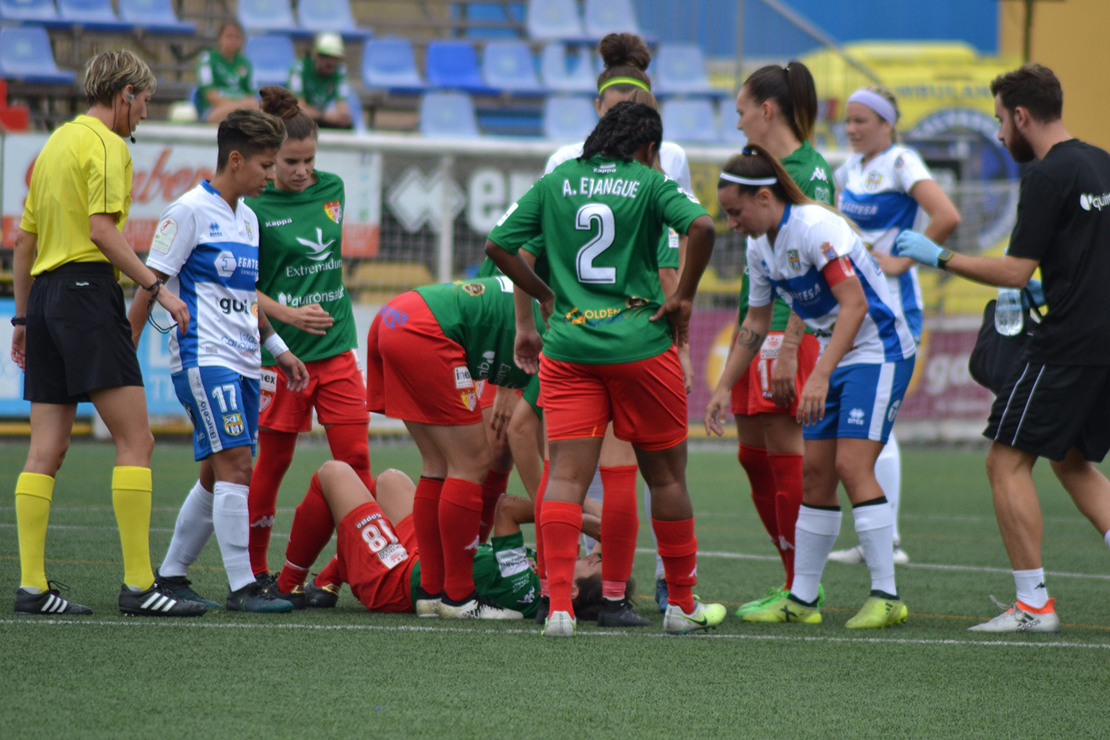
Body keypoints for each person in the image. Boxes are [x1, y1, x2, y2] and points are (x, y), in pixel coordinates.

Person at [486, 101, 726, 637]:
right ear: (647, 149)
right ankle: (681, 605)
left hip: (570, 348)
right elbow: (704, 227)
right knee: (665, 476)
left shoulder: (557, 181)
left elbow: (498, 246)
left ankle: (560, 607)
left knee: (565, 477)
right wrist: (684, 297)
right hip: (641, 348)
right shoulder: (647, 181)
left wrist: (546, 296)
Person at [895, 64, 1110, 633]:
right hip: (1104, 340)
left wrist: (938, 256)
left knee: (1005, 461)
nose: (997, 134)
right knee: (1071, 460)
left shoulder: (1045, 175)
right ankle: (1033, 604)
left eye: (998, 121)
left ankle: (1033, 606)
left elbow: (1014, 271)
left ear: (1020, 116)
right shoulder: (1102, 162)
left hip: (1066, 343)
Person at [10, 51, 203, 617]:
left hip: (44, 297)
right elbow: (100, 230)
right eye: (144, 101)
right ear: (124, 93)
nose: (144, 114)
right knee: (135, 442)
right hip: (86, 295)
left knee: (45, 449)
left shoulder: (54, 146)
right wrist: (157, 286)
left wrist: (23, 320)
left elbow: (24, 243)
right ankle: (141, 586)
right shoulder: (108, 145)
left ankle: (31, 587)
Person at [706, 144, 917, 628]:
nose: (732, 223)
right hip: (837, 352)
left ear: (763, 198)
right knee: (816, 475)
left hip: (879, 350)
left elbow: (855, 305)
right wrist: (722, 388)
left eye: (736, 212)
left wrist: (819, 373)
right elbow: (756, 321)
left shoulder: (815, 228)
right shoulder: (761, 247)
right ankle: (801, 600)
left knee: (848, 464)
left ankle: (887, 595)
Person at [128, 109, 309, 613]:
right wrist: (128, 347)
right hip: (203, 358)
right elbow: (150, 284)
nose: (271, 175)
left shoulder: (248, 219)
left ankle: (170, 573)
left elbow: (245, 294)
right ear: (236, 159)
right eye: (266, 165)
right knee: (237, 463)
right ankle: (243, 586)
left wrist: (279, 350)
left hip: (246, 360)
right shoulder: (186, 212)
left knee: (215, 470)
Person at [826, 86, 961, 567]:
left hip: (895, 309)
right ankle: (876, 537)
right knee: (868, 421)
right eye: (848, 120)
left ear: (887, 123)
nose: (853, 128)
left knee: (879, 423)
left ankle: (889, 540)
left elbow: (946, 215)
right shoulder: (848, 170)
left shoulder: (902, 161)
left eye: (863, 120)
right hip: (860, 309)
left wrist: (903, 262)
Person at [242, 86, 371, 582]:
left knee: (356, 460)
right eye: (290, 162)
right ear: (269, 159)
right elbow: (243, 288)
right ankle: (256, 571)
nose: (301, 171)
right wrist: (290, 318)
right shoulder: (252, 205)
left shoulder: (332, 188)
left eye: (308, 160)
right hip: (280, 356)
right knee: (272, 463)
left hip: (338, 350)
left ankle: (345, 569)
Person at [365, 276, 546, 620]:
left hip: (393, 316)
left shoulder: (558, 308)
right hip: (425, 330)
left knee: (437, 463)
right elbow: (523, 434)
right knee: (475, 461)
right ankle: (460, 598)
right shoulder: (568, 343)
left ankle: (432, 593)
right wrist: (549, 507)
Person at [727, 61, 832, 618]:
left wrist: (790, 345)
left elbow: (815, 269)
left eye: (742, 110)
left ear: (767, 110)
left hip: (791, 332)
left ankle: (801, 590)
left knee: (784, 450)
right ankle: (792, 578)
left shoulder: (808, 171)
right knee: (751, 457)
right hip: (755, 325)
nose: (738, 120)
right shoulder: (756, 167)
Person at [266, 461, 620, 620]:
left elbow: (506, 509)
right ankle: (329, 580)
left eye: (593, 562)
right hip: (424, 558)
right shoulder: (551, 575)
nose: (591, 555)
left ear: (572, 591)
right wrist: (599, 529)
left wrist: (582, 518)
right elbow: (599, 540)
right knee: (391, 480)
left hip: (397, 579)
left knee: (333, 473)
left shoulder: (526, 584)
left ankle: (288, 585)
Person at [196, 21, 258, 124]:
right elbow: (210, 95)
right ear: (220, 38)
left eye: (237, 37)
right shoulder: (207, 60)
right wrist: (239, 106)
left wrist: (243, 106)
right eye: (229, 36)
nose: (233, 41)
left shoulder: (245, 63)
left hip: (243, 109)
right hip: (215, 109)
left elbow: (251, 95)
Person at [289, 32, 353, 129]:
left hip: (320, 117)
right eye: (325, 56)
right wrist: (323, 115)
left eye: (335, 58)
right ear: (315, 55)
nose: (330, 62)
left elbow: (342, 105)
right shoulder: (299, 69)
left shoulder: (340, 71)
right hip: (302, 121)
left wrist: (342, 116)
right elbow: (297, 109)